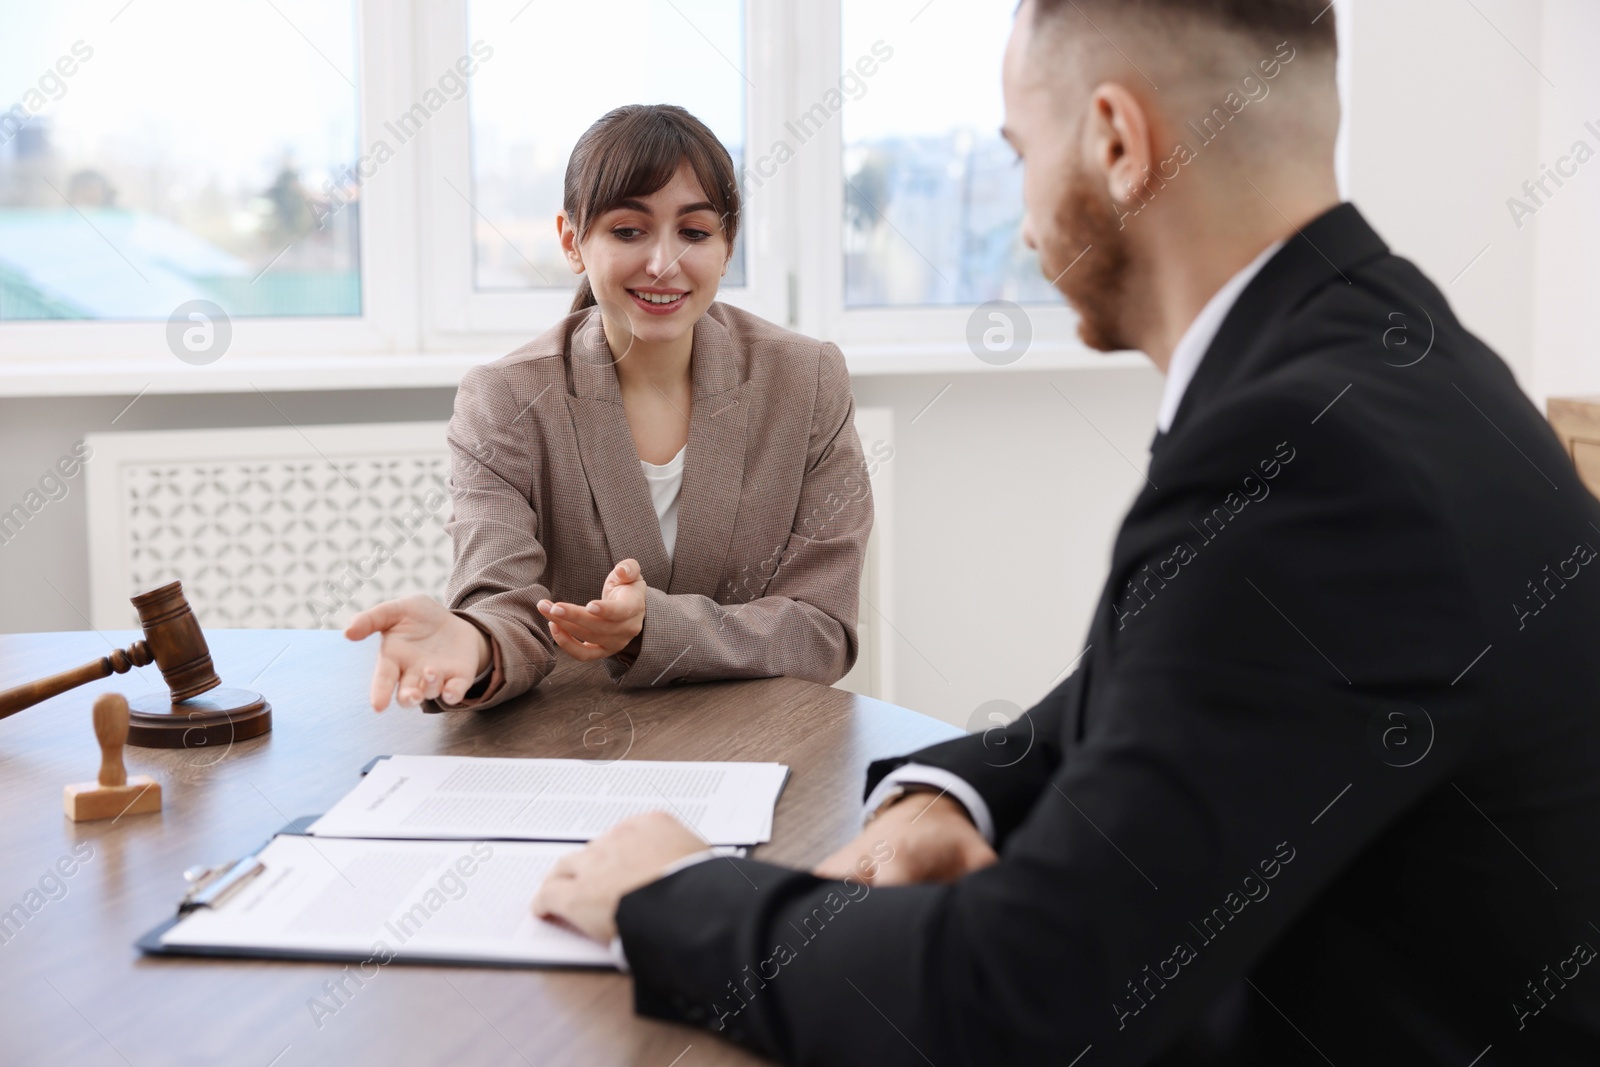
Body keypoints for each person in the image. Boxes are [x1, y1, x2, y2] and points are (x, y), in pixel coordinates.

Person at [532, 2, 1600, 1064]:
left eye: (1019, 153)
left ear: (1117, 142)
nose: (1025, 212)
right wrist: (950, 790)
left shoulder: (1308, 450)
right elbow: (1164, 680)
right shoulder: (1397, 357)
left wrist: (676, 893)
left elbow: (1026, 994)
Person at [344, 105, 872, 712]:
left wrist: (654, 626)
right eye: (628, 231)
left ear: (727, 247)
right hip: (575, 747)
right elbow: (501, 605)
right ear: (573, 241)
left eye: (695, 233)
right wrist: (474, 640)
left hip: (760, 737)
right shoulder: (505, 400)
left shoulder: (805, 381)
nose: (664, 263)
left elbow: (822, 631)